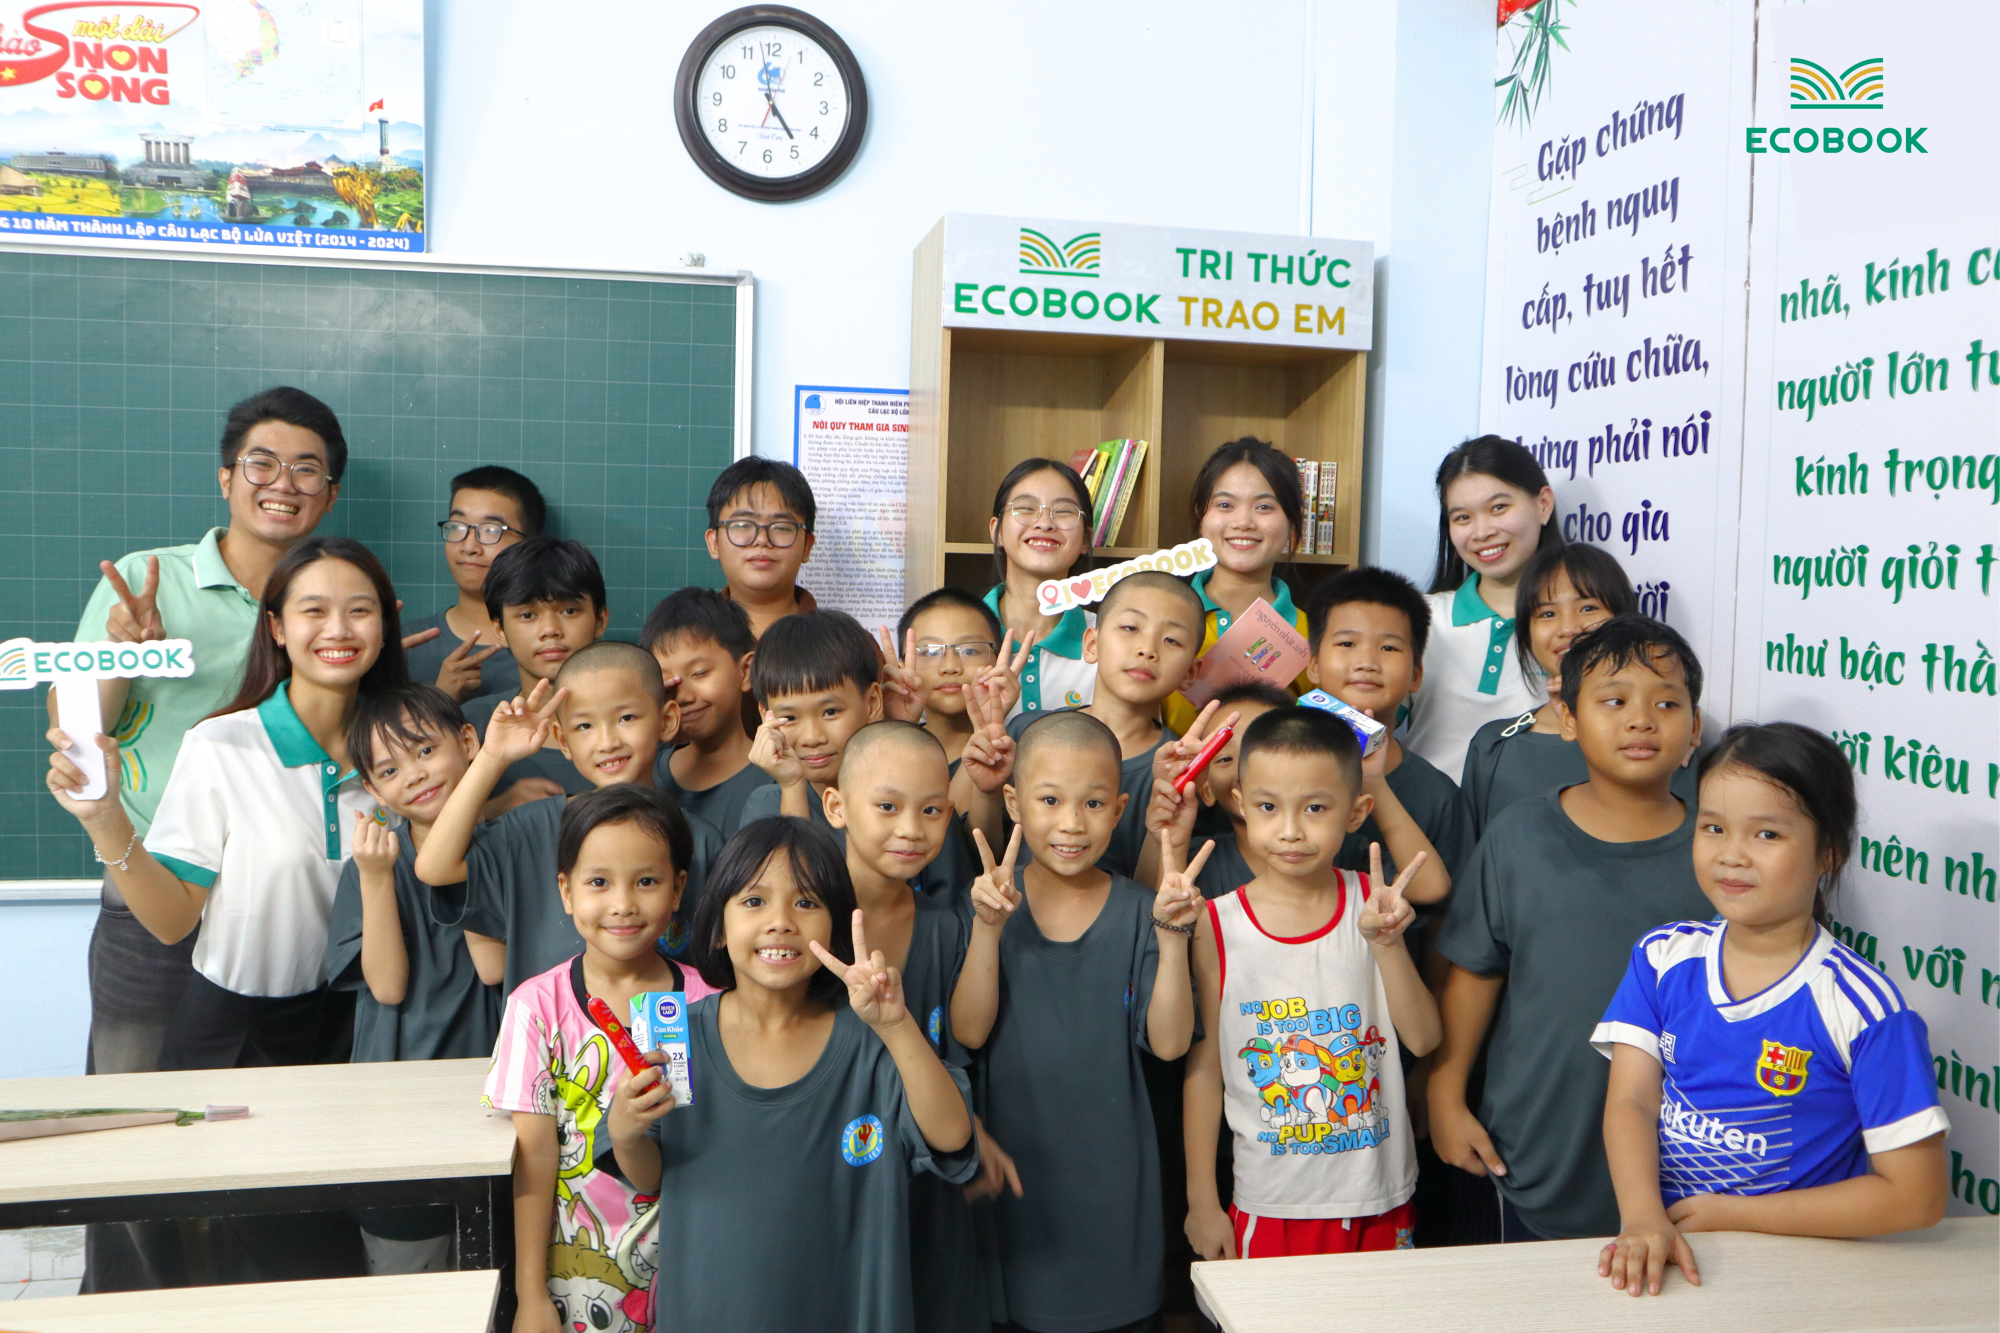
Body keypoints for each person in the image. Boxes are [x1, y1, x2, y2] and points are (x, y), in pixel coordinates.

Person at [1594, 723, 1949, 1297]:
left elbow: (1916, 1197)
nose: (1731, 855)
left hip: (1805, 1278)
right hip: (1672, 1259)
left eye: (1766, 834)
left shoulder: (1863, 1008)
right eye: (1713, 827)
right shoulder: (1662, 958)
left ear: (1829, 851)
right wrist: (1642, 1217)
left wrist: (1731, 1215)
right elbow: (1632, 1100)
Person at [65, 386, 348, 1098]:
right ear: (226, 478)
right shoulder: (147, 582)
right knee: (131, 1103)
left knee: (275, 1112)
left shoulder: (332, 605)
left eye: (307, 469)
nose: (283, 483)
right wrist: (121, 654)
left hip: (282, 895)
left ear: (330, 495)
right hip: (152, 877)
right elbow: (75, 725)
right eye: (262, 463)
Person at [48, 536, 406, 1073]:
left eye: (360, 611)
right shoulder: (222, 745)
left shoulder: (402, 755)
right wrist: (104, 818)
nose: (338, 630)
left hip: (358, 1024)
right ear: (276, 628)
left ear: (384, 627)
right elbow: (172, 922)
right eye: (313, 611)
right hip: (237, 1034)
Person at [607, 817, 977, 1333]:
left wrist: (896, 1027)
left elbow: (953, 1135)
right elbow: (652, 1176)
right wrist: (624, 1132)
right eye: (754, 901)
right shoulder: (673, 1038)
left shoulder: (874, 1041)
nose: (781, 921)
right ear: (718, 927)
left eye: (806, 902)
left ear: (837, 926)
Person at [1429, 616, 1712, 1242]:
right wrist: (1445, 1093)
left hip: (1687, 1168)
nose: (1641, 721)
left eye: (1667, 704)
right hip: (1535, 1145)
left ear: (1694, 728)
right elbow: (1476, 972)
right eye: (1614, 702)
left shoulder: (1719, 854)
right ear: (1568, 718)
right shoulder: (1518, 834)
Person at [951, 710, 1201, 1333]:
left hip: (1117, 1197)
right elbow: (969, 1032)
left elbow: (1171, 1045)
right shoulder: (986, 903)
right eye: (1049, 800)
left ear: (1119, 811)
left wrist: (1173, 939)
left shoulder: (1144, 909)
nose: (1071, 823)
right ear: (1013, 803)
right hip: (1014, 1191)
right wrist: (988, 931)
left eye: (1092, 804)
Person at [1183, 707, 1440, 1260]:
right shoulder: (1216, 924)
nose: (1291, 830)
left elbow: (1424, 1040)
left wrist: (1387, 945)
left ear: (1357, 812)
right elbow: (1205, 1069)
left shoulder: (1373, 907)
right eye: (1268, 807)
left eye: (1315, 808)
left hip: (1381, 1197)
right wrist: (1201, 1199)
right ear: (1240, 804)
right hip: (1272, 1204)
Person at [482, 785, 717, 1333]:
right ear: (566, 891)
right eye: (598, 882)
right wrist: (530, 1295)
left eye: (647, 881)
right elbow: (535, 1160)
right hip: (576, 1285)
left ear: (678, 888)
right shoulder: (536, 1007)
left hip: (693, 1281)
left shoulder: (710, 1004)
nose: (623, 904)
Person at [824, 721, 1006, 1333]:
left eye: (931, 810)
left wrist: (987, 929)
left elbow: (969, 1034)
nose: (910, 828)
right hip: (833, 1173)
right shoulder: (801, 923)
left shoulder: (945, 925)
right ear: (836, 807)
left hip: (927, 1179)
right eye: (887, 806)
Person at [414, 640, 719, 998]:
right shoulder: (534, 828)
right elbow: (434, 868)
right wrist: (493, 757)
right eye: (584, 725)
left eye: (626, 718)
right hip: (549, 1031)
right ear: (562, 739)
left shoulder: (700, 841)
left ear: (666, 721)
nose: (607, 741)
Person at [327, 682, 501, 1276]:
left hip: (493, 1097)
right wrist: (376, 879)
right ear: (374, 790)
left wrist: (465, 847)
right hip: (401, 1110)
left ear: (469, 742)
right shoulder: (374, 865)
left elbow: (492, 965)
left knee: (497, 1272)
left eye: (426, 750)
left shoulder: (508, 845)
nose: (416, 774)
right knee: (410, 1274)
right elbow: (388, 987)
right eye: (390, 770)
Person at [1460, 542, 1693, 836]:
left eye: (1588, 608)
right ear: (1526, 633)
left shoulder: (1662, 741)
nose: (1569, 628)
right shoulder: (1493, 746)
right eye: (1547, 614)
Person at [1004, 570, 1201, 880]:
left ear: (1191, 672)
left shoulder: (1181, 769)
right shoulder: (1027, 732)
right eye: (1130, 628)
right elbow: (983, 849)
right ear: (1092, 644)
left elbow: (1158, 895)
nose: (1147, 649)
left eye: (1171, 640)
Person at [1305, 567, 1473, 907]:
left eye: (1388, 648)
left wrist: (1373, 783)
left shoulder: (1439, 797)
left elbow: (1444, 914)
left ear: (1416, 675)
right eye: (1347, 643)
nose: (1366, 662)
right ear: (1314, 666)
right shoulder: (1270, 758)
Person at [1404, 436, 1562, 784]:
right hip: (1420, 815)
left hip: (1534, 816)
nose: (1482, 532)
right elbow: (1366, 717)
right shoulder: (1419, 618)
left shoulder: (1577, 625)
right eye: (1462, 517)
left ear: (1543, 504)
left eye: (1499, 507)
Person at [1164, 438, 1312, 736]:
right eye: (1225, 505)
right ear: (1200, 516)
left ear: (1293, 524)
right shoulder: (1162, 619)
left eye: (1264, 506)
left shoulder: (1313, 636)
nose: (1243, 522)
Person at [462, 536, 610, 806]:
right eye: (528, 615)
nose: (550, 630)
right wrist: (495, 809)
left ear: (600, 619)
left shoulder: (637, 721)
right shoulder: (472, 725)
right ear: (500, 629)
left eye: (569, 610)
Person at [403, 465, 547, 704]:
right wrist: (440, 699)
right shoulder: (408, 644)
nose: (469, 547)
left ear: (530, 543)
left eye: (490, 530)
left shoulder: (552, 645)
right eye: (457, 527)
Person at [640, 587, 771, 836]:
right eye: (666, 680)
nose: (684, 696)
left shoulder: (777, 778)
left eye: (699, 673)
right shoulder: (643, 773)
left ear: (746, 671)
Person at [982, 458, 1097, 719]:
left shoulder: (1111, 641)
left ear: (1085, 539)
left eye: (1064, 511)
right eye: (1025, 508)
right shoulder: (960, 635)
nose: (1044, 523)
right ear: (997, 531)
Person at [703, 457, 819, 639]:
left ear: (806, 546)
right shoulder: (682, 642)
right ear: (714, 543)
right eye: (742, 525)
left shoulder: (846, 644)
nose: (762, 540)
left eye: (781, 527)